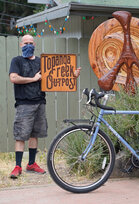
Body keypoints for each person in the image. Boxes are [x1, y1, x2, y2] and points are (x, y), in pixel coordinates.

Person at [9, 34, 81, 179]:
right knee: (21, 135)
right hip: (24, 103)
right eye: (26, 43)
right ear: (21, 45)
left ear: (34, 44)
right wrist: (33, 79)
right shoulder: (16, 60)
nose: (28, 45)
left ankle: (31, 164)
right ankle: (17, 166)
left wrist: (73, 75)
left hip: (40, 102)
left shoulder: (43, 62)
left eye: (31, 42)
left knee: (35, 134)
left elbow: (58, 75)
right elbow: (13, 78)